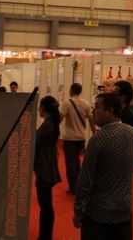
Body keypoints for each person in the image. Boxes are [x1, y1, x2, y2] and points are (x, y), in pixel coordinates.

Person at [74, 93, 133, 240]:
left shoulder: (98, 139)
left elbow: (85, 180)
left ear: (111, 110)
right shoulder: (132, 132)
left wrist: (78, 211)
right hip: (124, 211)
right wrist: (123, 171)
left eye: (97, 107)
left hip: (98, 214)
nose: (93, 111)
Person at [35, 96, 62, 240]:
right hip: (47, 166)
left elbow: (36, 143)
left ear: (44, 108)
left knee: (45, 206)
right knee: (46, 205)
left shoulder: (48, 125)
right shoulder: (51, 123)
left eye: (40, 106)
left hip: (45, 168)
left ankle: (45, 236)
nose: (38, 109)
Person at [60, 83, 92, 194]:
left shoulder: (66, 103)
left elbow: (60, 118)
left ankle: (73, 186)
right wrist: (94, 132)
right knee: (77, 162)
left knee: (70, 163)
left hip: (69, 138)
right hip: (81, 137)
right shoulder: (86, 104)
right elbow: (91, 119)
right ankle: (79, 184)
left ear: (71, 90)